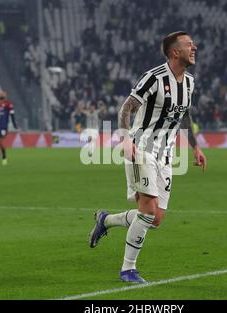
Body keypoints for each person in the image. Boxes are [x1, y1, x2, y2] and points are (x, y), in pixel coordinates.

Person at [88, 31, 207, 283]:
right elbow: (127, 107)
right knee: (148, 209)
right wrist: (125, 139)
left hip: (166, 156)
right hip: (141, 148)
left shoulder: (189, 83)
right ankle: (127, 269)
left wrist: (195, 147)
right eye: (188, 44)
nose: (194, 47)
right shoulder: (154, 77)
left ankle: (105, 220)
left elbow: (184, 116)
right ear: (175, 52)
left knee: (155, 219)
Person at [0, 91, 17, 166]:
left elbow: (12, 114)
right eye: (0, 94)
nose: (1, 95)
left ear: (5, 96)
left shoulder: (8, 104)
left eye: (3, 94)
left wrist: (14, 124)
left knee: (0, 143)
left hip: (3, 126)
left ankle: (4, 157)